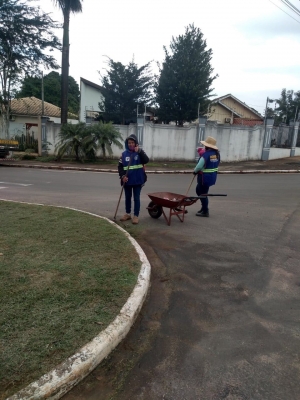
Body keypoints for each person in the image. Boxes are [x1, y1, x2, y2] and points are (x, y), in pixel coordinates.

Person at [118, 134, 149, 224]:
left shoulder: (139, 152)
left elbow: (146, 160)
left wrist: (139, 151)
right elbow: (120, 167)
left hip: (137, 181)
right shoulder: (123, 155)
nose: (131, 144)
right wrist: (123, 176)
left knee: (136, 198)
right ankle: (128, 214)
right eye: (129, 143)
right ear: (127, 144)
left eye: (132, 142)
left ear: (136, 143)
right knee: (127, 198)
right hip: (127, 181)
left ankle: (136, 216)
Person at [193, 136, 220, 217]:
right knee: (200, 191)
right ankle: (203, 208)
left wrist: (195, 171)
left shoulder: (206, 155)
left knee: (202, 193)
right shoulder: (216, 154)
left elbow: (199, 166)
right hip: (212, 177)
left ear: (207, 146)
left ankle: (205, 211)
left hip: (204, 177)